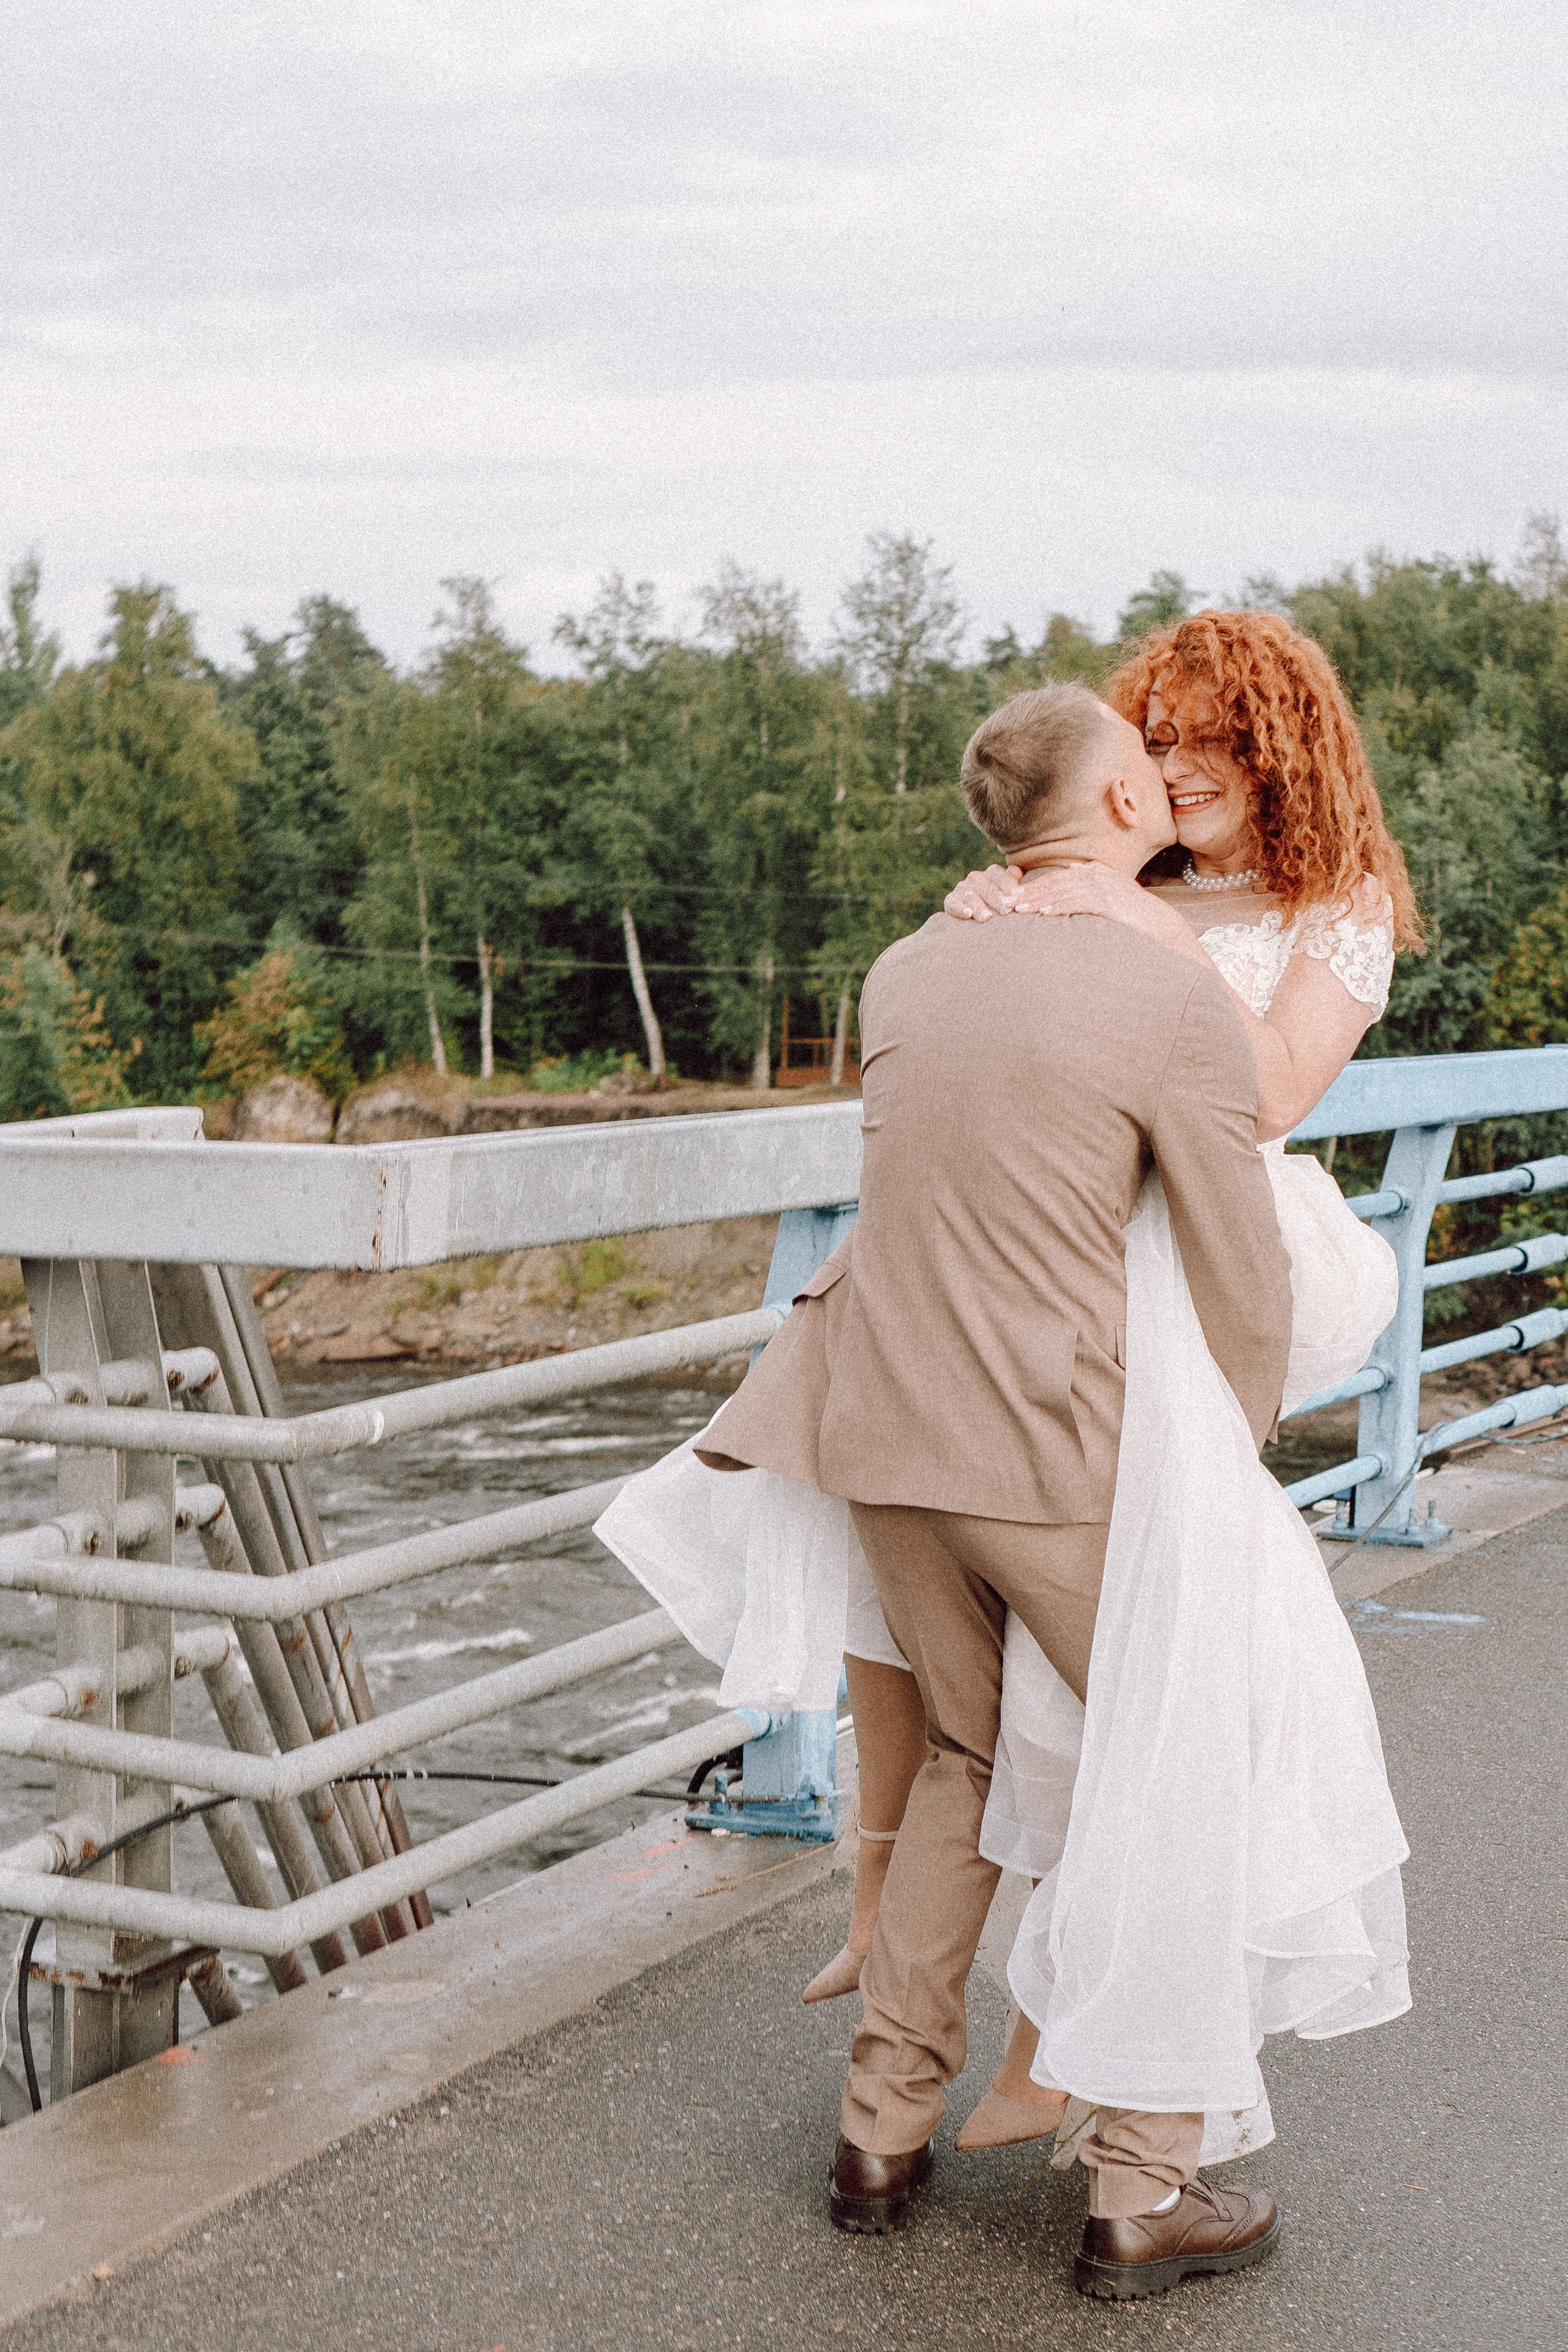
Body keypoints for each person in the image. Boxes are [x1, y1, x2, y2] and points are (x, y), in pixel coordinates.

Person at [684, 681, 1300, 2294]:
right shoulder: (1163, 996)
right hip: (1054, 1453)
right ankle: (1144, 2189)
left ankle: (879, 2134)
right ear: (1118, 806)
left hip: (886, 1437)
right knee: (1180, 1769)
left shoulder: (906, 967)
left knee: (965, 1753)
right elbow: (1238, 1264)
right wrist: (1240, 1446)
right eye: (1144, 765)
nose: (1163, 778)